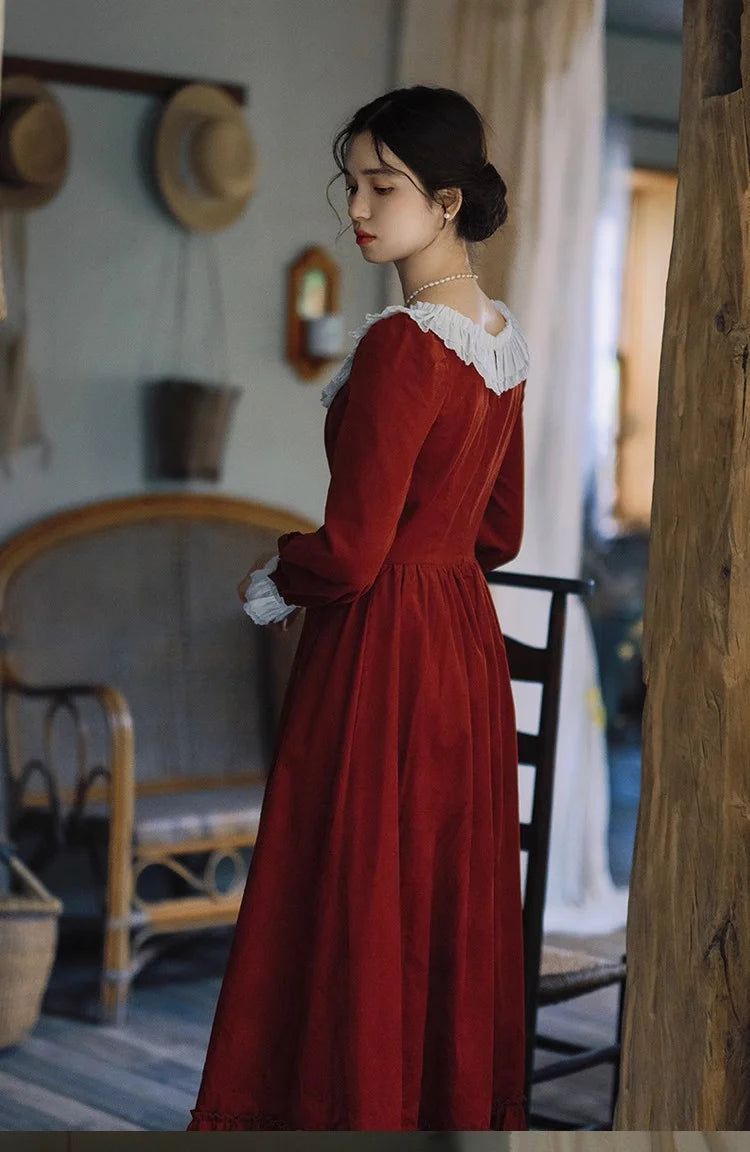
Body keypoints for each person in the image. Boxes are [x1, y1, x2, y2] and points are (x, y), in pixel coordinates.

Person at [188, 84, 529, 1132]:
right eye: (353, 184)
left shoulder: (402, 342)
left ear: (449, 200)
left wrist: (276, 572)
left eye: (383, 186)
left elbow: (351, 549)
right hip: (462, 649)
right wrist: (432, 562)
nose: (359, 209)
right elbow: (501, 534)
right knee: (428, 892)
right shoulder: (501, 340)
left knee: (350, 892)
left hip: (381, 646)